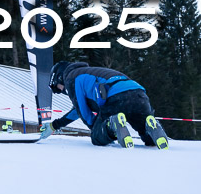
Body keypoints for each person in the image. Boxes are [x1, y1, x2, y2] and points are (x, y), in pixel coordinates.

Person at [41, 61, 170, 149]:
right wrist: (54, 125)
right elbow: (76, 111)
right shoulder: (90, 72)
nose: (62, 91)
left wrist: (98, 129)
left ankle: (112, 124)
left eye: (59, 88)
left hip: (115, 97)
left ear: (59, 77)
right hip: (138, 94)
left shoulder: (71, 78)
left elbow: (82, 111)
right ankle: (150, 124)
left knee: (97, 137)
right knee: (148, 138)